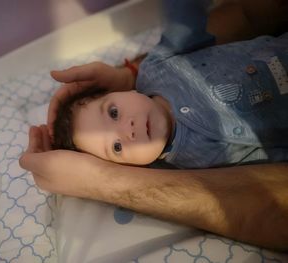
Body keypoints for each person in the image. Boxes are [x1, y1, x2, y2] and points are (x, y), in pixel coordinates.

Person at [20, 0, 288, 251]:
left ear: (125, 91)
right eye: (116, 147)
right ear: (134, 168)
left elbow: (185, 20)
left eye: (113, 112)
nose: (129, 130)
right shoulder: (184, 169)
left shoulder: (156, 67)